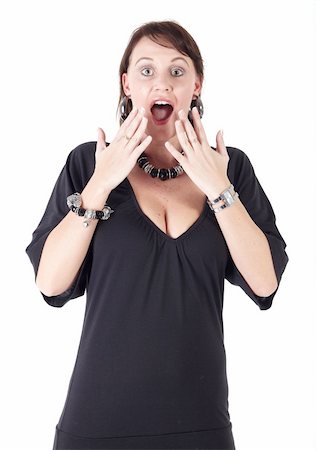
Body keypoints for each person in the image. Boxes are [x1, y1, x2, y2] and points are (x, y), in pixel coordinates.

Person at [26, 20, 288, 450]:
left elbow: (265, 282)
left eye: (177, 71)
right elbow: (49, 283)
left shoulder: (230, 168)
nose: (161, 82)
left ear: (197, 86)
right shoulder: (89, 164)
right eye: (146, 71)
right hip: (96, 424)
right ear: (127, 84)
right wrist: (100, 185)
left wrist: (218, 189)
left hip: (201, 426)